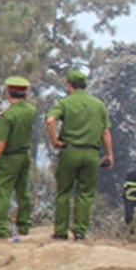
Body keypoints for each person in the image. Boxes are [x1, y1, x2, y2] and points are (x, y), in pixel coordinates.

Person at [45, 70, 114, 241]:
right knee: (85, 193)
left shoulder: (65, 102)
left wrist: (54, 141)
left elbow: (50, 120)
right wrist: (109, 155)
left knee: (63, 192)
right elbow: (105, 132)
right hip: (91, 153)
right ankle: (80, 231)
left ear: (69, 86)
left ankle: (60, 231)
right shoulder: (98, 105)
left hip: (70, 151)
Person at [0, 76, 36, 240]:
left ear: (8, 93)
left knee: (4, 192)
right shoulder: (30, 111)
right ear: (25, 94)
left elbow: (1, 142)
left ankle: (1, 228)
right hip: (25, 155)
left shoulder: (7, 116)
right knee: (23, 190)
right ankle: (24, 225)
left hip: (10, 157)